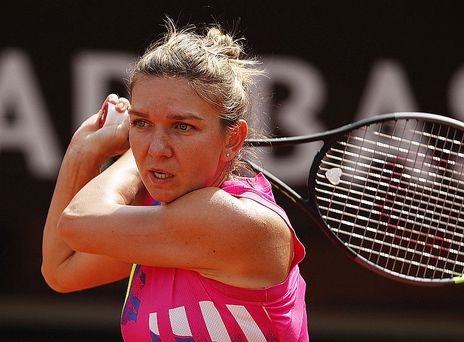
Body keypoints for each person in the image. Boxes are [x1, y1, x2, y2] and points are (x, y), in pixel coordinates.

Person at [42, 19, 308, 341]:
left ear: (233, 139)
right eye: (141, 123)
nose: (158, 148)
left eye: (182, 126)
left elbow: (78, 221)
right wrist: (81, 152)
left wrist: (128, 150)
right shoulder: (161, 219)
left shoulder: (236, 223)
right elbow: (60, 268)